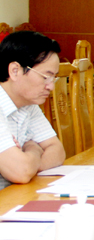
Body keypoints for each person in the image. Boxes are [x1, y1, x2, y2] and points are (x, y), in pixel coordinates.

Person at [0, 31, 65, 188]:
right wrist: (34, 148)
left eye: (54, 78)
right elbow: (21, 172)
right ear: (15, 70)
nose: (51, 86)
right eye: (45, 77)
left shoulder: (29, 104)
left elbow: (57, 151)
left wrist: (28, 160)